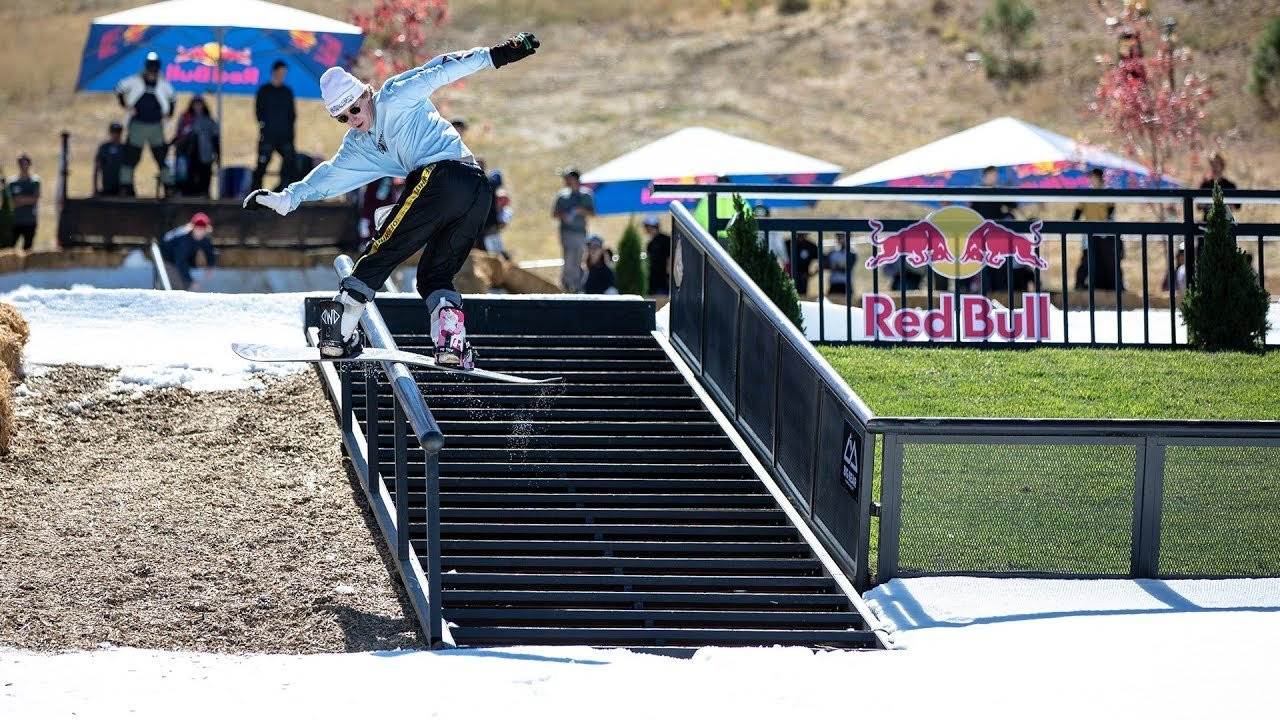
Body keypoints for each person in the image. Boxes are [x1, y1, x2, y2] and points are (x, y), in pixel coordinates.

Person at [244, 32, 540, 368]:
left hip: (444, 175)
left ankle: (338, 327)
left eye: (355, 108)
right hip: (475, 194)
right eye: (343, 117)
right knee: (433, 275)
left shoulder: (395, 95)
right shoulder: (359, 145)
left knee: (383, 248)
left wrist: (496, 54)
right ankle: (449, 339)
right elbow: (331, 175)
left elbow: (440, 69)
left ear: (366, 93)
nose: (354, 119)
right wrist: (288, 198)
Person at [115, 51, 177, 196]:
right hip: (137, 125)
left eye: (155, 69)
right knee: (131, 156)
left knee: (161, 156)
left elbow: (173, 98)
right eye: (150, 68)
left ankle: (168, 186)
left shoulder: (163, 84)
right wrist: (126, 106)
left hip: (156, 127)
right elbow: (119, 89)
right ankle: (126, 186)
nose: (152, 72)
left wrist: (168, 116)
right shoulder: (135, 80)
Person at [1072, 168, 1123, 292]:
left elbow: (1111, 211)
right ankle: (1080, 283)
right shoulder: (1087, 192)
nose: (1091, 179)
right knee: (1087, 258)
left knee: (1108, 259)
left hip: (1105, 231)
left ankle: (1113, 284)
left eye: (1093, 176)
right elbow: (1078, 210)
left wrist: (1109, 227)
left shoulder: (1107, 191)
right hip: (1089, 230)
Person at [253, 61, 298, 191]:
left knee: (290, 163)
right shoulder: (264, 90)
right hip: (268, 136)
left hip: (285, 137)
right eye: (280, 72)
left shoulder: (287, 92)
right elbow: (258, 111)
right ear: (274, 71)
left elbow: (292, 115)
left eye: (284, 73)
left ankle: (281, 192)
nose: (281, 75)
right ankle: (255, 195)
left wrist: (291, 136)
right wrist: (264, 126)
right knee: (261, 166)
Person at [552, 167, 595, 292]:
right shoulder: (562, 195)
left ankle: (576, 286)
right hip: (566, 232)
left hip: (580, 232)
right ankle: (567, 285)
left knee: (577, 259)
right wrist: (563, 215)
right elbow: (554, 213)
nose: (566, 181)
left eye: (568, 178)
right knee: (569, 259)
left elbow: (592, 213)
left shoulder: (586, 195)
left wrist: (581, 210)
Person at [173, 96, 220, 197]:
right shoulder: (186, 119)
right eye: (195, 104)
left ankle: (204, 195)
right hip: (188, 154)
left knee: (205, 177)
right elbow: (179, 135)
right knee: (188, 177)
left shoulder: (209, 121)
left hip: (205, 155)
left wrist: (217, 155)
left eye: (200, 104)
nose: (198, 107)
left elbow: (215, 138)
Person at [159, 212, 217, 291]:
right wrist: (192, 281)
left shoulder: (204, 238)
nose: (200, 232)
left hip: (180, 259)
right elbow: (180, 262)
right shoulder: (183, 239)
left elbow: (209, 251)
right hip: (166, 258)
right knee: (179, 286)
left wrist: (209, 267)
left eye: (202, 229)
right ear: (192, 228)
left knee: (185, 284)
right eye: (197, 229)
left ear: (206, 229)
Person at [7, 154, 40, 251]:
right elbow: (12, 202)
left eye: (25, 164)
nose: (23, 166)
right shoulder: (12, 183)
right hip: (16, 221)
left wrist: (20, 199)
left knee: (28, 249)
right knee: (10, 248)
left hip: (30, 220)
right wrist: (27, 200)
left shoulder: (35, 181)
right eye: (21, 164)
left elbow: (35, 199)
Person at [480, 169, 512, 257]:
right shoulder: (489, 188)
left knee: (496, 251)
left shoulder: (488, 190)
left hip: (490, 226)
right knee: (493, 252)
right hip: (487, 227)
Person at [94, 122, 127, 196]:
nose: (116, 135)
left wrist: (125, 188)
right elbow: (97, 167)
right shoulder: (104, 148)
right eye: (113, 132)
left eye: (118, 132)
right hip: (107, 187)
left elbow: (128, 169)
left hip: (121, 188)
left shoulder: (124, 149)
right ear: (110, 133)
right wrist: (95, 188)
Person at [642, 215, 672, 296]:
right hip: (654, 282)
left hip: (664, 281)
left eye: (647, 226)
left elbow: (670, 259)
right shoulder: (650, 244)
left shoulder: (667, 240)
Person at [825, 232, 857, 298]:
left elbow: (847, 268)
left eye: (842, 237)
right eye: (838, 237)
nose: (840, 239)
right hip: (834, 284)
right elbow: (825, 265)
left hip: (846, 285)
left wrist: (836, 266)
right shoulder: (832, 252)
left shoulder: (851, 253)